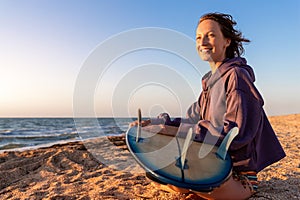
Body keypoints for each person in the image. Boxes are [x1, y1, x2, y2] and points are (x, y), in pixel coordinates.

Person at [130, 12, 285, 200]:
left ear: (227, 41)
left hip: (237, 175)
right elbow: (191, 120)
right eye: (198, 37)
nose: (203, 42)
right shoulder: (209, 84)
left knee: (200, 190)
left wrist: (171, 130)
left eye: (210, 35)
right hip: (207, 165)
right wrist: (156, 125)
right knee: (155, 175)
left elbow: (235, 132)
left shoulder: (236, 76)